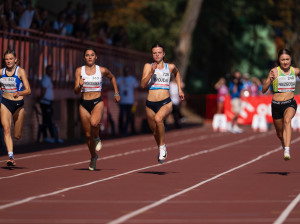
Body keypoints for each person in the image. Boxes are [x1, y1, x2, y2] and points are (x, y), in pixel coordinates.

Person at [74, 47, 120, 171]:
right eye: (87, 55)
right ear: (84, 58)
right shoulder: (79, 70)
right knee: (88, 136)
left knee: (94, 123)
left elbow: (112, 77)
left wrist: (116, 93)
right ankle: (93, 157)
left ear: (96, 57)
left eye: (92, 55)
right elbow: (75, 91)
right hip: (84, 103)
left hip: (97, 102)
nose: (90, 57)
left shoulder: (102, 70)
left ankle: (98, 136)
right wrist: (79, 85)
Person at [141, 43, 184, 164]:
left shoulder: (170, 67)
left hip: (165, 102)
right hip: (150, 103)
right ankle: (161, 144)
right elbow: (143, 85)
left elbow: (177, 73)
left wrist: (180, 89)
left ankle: (162, 147)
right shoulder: (147, 66)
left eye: (159, 52)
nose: (157, 55)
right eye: (154, 53)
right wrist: (151, 73)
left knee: (158, 119)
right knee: (155, 131)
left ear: (163, 54)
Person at [262, 48, 300, 160]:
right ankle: (283, 142)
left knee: (288, 120)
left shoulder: (296, 71)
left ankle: (287, 150)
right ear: (279, 60)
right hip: (276, 105)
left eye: (287, 59)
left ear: (291, 59)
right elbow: (263, 90)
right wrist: (269, 80)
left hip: (290, 103)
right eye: (282, 59)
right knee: (279, 133)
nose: (285, 62)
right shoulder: (274, 71)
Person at [0, 49, 31, 166]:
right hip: (5, 103)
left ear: (16, 60)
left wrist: (19, 93)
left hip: (18, 105)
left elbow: (28, 90)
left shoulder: (20, 72)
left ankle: (15, 140)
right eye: (6, 59)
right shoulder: (1, 72)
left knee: (17, 135)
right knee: (6, 128)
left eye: (11, 59)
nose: (8, 61)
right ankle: (11, 156)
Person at [40, 65, 63, 143]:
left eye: (52, 71)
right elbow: (44, 90)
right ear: (46, 71)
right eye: (50, 71)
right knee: (47, 120)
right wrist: (41, 98)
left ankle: (52, 136)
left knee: (49, 119)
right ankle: (47, 137)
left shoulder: (48, 79)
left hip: (48, 102)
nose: (51, 72)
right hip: (45, 102)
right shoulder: (46, 79)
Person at [116, 66, 138, 136]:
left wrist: (135, 99)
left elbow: (135, 90)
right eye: (125, 71)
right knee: (121, 116)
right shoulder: (119, 79)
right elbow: (115, 88)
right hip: (122, 101)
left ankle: (127, 130)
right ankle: (121, 130)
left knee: (129, 116)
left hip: (130, 101)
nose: (126, 72)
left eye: (127, 71)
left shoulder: (132, 79)